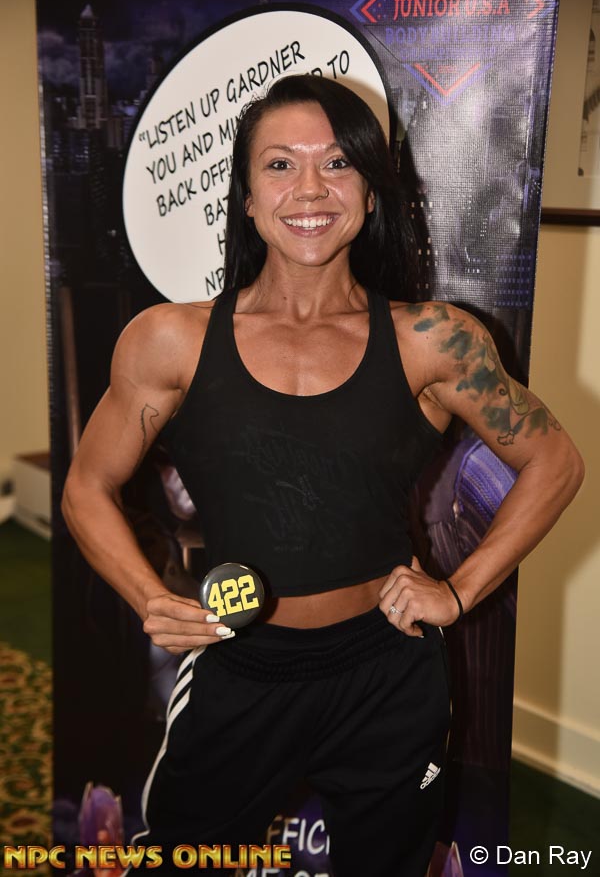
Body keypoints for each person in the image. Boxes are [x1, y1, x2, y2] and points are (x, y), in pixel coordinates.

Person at [61, 74, 584, 876]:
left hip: (388, 673)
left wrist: (458, 592)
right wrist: (149, 598)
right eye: (280, 164)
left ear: (371, 192)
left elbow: (554, 460)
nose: (310, 188)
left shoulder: (434, 340)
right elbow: (86, 488)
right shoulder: (169, 341)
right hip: (239, 665)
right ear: (246, 199)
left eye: (337, 163)